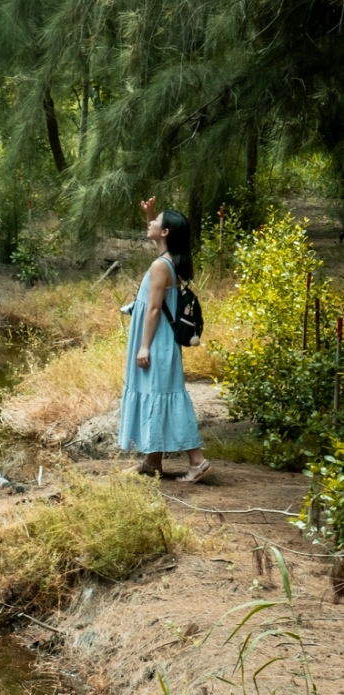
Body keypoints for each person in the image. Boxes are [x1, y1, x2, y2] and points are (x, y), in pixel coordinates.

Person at [116, 197, 212, 486]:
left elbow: (155, 308)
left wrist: (144, 346)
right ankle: (153, 461)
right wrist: (149, 216)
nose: (152, 223)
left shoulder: (161, 266)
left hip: (155, 342)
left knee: (164, 396)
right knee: (156, 394)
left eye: (157, 221)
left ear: (166, 232)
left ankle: (197, 462)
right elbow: (156, 241)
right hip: (161, 341)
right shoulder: (169, 260)